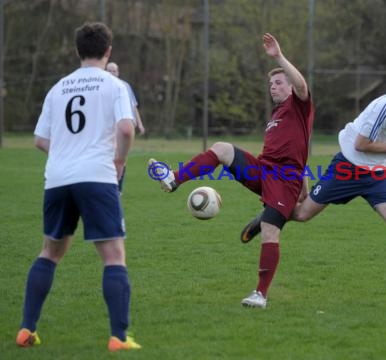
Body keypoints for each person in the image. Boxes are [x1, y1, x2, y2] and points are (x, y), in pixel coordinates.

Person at [242, 63, 386, 306]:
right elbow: (361, 144)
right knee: (303, 213)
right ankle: (268, 216)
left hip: (376, 174)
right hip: (348, 167)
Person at [149, 33, 314, 309]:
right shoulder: (276, 116)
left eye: (278, 82)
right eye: (270, 83)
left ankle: (260, 294)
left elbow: (302, 84)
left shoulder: (299, 105)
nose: (272, 87)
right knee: (223, 148)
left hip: (285, 180)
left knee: (272, 230)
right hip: (264, 170)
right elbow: (302, 153)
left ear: (289, 86)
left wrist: (279, 58)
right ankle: (174, 178)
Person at [16, 22, 141, 351]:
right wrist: (119, 160)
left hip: (57, 179)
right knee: (114, 256)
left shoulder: (58, 88)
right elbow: (127, 130)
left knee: (50, 252)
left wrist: (66, 152)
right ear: (108, 51)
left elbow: (40, 140)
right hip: (97, 176)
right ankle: (118, 336)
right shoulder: (113, 85)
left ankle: (27, 329)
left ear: (77, 51)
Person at [106, 61, 145, 193]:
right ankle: (111, 186)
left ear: (118, 72)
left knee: (121, 157)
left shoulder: (125, 86)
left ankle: (118, 188)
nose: (112, 73)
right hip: (109, 127)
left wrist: (139, 123)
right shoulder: (102, 86)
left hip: (124, 126)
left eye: (114, 71)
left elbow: (133, 106)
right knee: (111, 155)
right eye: (109, 70)